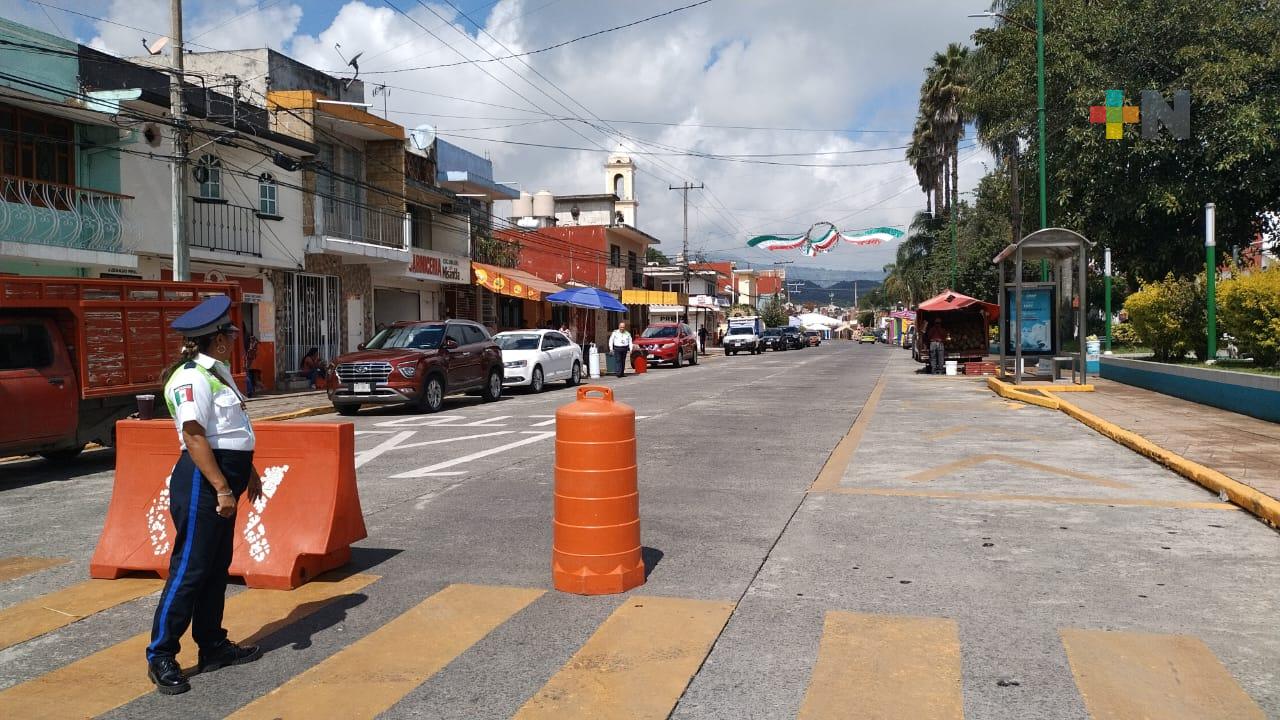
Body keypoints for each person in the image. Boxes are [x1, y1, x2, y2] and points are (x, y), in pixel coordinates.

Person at [146, 295, 263, 696]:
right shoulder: (190, 377)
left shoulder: (216, 371)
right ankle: (161, 654)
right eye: (230, 334)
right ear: (218, 339)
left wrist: (249, 471)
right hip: (202, 480)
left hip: (223, 475)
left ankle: (212, 644)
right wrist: (222, 488)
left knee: (216, 567)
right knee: (190, 569)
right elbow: (194, 436)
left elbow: (228, 431)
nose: (233, 340)